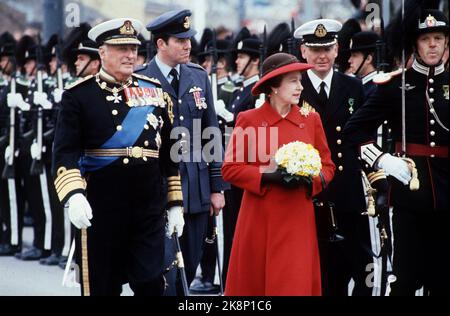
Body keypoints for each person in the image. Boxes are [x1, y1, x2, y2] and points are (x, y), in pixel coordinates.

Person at [52, 18, 184, 296]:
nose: (130, 55)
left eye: (133, 48)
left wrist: (174, 203)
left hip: (147, 207)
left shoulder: (155, 93)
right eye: (121, 48)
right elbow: (65, 153)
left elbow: (169, 155)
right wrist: (74, 195)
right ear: (102, 52)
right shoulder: (79, 96)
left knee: (150, 282)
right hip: (101, 206)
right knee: (102, 286)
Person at [344, 7, 449, 296]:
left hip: (447, 195)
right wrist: (381, 159)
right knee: (406, 279)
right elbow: (355, 130)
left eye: (438, 38)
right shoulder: (395, 86)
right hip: (409, 196)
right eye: (426, 39)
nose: (432, 45)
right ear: (414, 43)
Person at [222, 53, 335, 296]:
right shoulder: (249, 120)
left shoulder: (311, 119)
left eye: (301, 80)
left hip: (298, 218)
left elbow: (328, 166)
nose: (300, 87)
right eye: (293, 81)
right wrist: (266, 175)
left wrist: (311, 181)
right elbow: (230, 167)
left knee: (293, 282)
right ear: (273, 86)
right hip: (259, 218)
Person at [135, 9, 228, 296]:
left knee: (190, 262)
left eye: (188, 39)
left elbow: (211, 132)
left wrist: (216, 187)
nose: (188, 45)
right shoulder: (139, 80)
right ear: (161, 43)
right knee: (163, 273)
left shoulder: (198, 77)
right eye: (179, 40)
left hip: (197, 190)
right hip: (158, 189)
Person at [295, 19, 371, 296]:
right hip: (311, 191)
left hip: (348, 190)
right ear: (303, 51)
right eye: (315, 50)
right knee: (324, 270)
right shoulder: (294, 86)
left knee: (363, 267)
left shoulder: (353, 87)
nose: (322, 56)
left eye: (327, 48)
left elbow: (364, 136)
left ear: (337, 49)